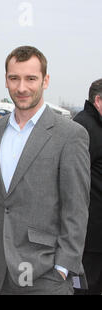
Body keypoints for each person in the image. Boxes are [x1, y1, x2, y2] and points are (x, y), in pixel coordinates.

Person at [0, 46, 90, 295]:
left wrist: (63, 266)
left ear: (45, 80)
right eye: (14, 78)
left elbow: (77, 208)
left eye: (31, 78)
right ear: (6, 80)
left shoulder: (70, 135)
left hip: (47, 273)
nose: (22, 88)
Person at [73, 78, 102, 295]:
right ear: (98, 101)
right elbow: (73, 182)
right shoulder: (84, 127)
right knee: (86, 289)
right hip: (88, 238)